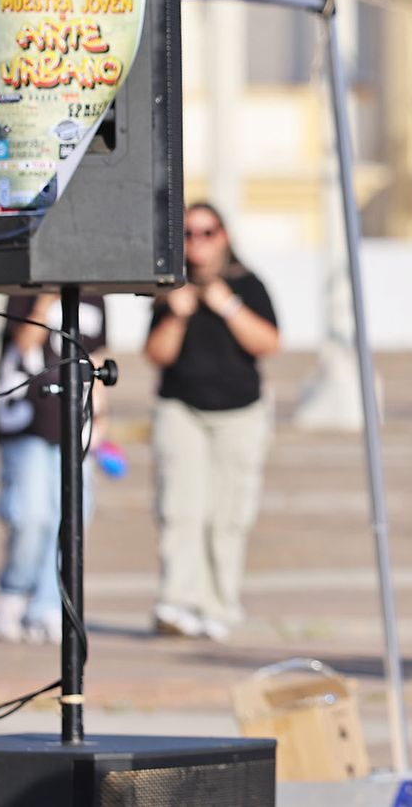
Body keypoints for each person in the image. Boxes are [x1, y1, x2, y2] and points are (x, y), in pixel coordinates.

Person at [144, 202, 281, 642]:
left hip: (240, 413)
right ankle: (178, 603)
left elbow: (269, 343)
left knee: (228, 515)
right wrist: (178, 314)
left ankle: (219, 605)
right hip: (181, 410)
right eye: (188, 234)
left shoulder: (247, 282)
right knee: (181, 510)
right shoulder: (168, 288)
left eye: (207, 233)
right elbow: (156, 355)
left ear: (224, 236)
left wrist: (228, 306)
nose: (197, 243)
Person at [0, 293, 108, 644]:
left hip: (73, 424)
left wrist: (101, 416)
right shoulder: (24, 293)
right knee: (29, 514)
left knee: (71, 514)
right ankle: (14, 591)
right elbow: (23, 343)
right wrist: (44, 302)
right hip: (26, 422)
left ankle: (48, 603)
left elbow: (98, 359)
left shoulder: (96, 296)